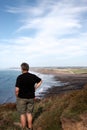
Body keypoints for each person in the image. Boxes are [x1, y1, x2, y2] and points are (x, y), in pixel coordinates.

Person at [15, 63, 42, 130]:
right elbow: (40, 81)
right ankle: (30, 127)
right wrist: (35, 88)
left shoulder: (20, 77)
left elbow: (17, 90)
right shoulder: (32, 76)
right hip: (31, 97)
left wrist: (17, 96)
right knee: (29, 113)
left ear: (22, 69)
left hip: (21, 98)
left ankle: (23, 128)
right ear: (28, 68)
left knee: (22, 114)